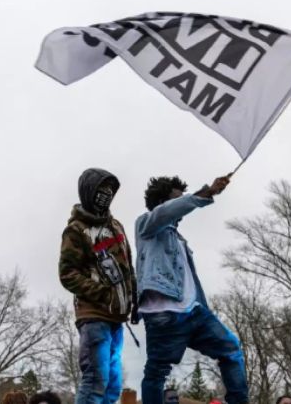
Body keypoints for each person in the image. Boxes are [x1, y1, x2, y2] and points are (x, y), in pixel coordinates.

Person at [134, 174, 248, 404]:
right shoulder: (146, 225)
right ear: (163, 203)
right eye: (177, 200)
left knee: (231, 349)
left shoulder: (180, 241)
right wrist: (205, 193)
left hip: (195, 313)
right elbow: (166, 212)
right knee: (157, 371)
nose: (182, 206)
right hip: (164, 314)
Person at [60, 168, 137, 404]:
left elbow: (127, 265)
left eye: (110, 191)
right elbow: (67, 273)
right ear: (88, 192)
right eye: (100, 190)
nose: (106, 195)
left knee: (113, 386)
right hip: (94, 316)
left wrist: (135, 299)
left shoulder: (117, 226)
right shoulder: (76, 230)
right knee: (96, 381)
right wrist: (102, 293)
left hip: (117, 317)